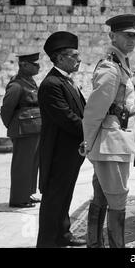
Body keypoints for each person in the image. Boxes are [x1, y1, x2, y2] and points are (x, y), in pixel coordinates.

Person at [82, 14, 135, 248]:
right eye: (127, 35)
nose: (132, 40)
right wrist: (87, 142)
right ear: (112, 36)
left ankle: (94, 244)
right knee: (117, 199)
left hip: (116, 140)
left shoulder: (121, 63)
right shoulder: (110, 67)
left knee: (101, 195)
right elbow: (94, 110)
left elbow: (121, 104)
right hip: (111, 143)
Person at [36, 31, 86, 248]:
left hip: (71, 151)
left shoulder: (66, 81)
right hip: (58, 153)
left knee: (65, 195)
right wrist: (91, 129)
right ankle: (47, 242)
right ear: (60, 58)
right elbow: (67, 118)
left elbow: (81, 110)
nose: (79, 59)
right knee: (53, 199)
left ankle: (62, 235)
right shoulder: (51, 85)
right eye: (74, 56)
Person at [1, 53, 41, 209]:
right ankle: (18, 199)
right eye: (34, 64)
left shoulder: (30, 81)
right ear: (24, 65)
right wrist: (13, 127)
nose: (38, 66)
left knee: (32, 164)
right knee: (22, 165)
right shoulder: (16, 85)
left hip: (33, 129)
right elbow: (6, 110)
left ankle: (26, 195)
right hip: (23, 130)